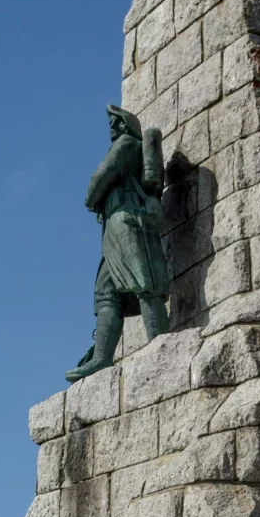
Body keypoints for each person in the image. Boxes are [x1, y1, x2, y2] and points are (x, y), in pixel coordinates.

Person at [68, 104, 171, 381]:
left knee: (142, 281)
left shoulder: (126, 144)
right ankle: (102, 358)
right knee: (106, 290)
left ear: (126, 125)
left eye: (116, 122)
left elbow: (102, 175)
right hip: (116, 222)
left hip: (126, 219)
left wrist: (91, 197)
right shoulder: (127, 143)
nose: (112, 129)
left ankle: (160, 342)